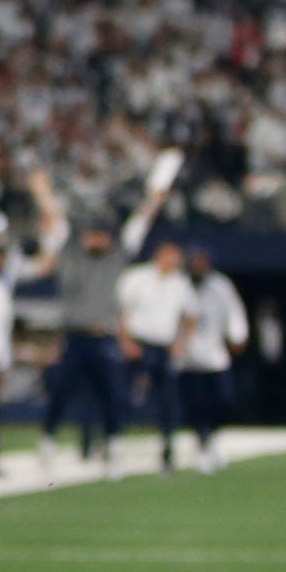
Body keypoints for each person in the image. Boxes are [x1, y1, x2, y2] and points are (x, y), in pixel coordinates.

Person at [36, 170, 160, 476]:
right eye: (91, 233)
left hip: (104, 335)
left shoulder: (118, 254)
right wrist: (40, 189)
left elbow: (141, 222)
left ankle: (113, 447)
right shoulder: (69, 252)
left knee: (112, 395)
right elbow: (53, 218)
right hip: (73, 336)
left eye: (100, 234)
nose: (94, 239)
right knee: (60, 392)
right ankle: (47, 442)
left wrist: (155, 198)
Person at [116, 237, 197, 472]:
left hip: (163, 347)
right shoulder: (137, 277)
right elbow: (122, 311)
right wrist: (126, 341)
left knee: (167, 401)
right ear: (160, 255)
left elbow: (192, 316)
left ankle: (167, 447)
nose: (176, 261)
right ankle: (114, 443)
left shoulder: (181, 283)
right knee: (123, 395)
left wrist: (181, 343)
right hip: (137, 343)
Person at [175, 246, 248, 474]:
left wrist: (237, 335)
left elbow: (234, 311)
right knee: (195, 406)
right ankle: (204, 443)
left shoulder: (220, 285)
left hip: (215, 356)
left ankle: (212, 439)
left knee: (224, 401)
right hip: (187, 358)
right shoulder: (179, 286)